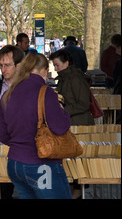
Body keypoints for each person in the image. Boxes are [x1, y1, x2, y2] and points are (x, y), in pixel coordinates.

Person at [0, 53, 72, 199]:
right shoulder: (46, 93)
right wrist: (63, 111)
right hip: (42, 165)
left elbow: (2, 135)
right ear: (45, 70)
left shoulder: (8, 93)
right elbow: (60, 127)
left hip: (15, 163)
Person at [49, 49, 94, 198]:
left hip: (79, 124)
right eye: (53, 65)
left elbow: (83, 104)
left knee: (78, 162)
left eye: (57, 65)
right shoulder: (65, 77)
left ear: (66, 63)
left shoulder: (75, 78)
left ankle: (77, 191)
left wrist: (63, 109)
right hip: (71, 123)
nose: (55, 69)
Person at [0, 45, 25, 143]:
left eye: (7, 65)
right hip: (1, 145)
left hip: (25, 146)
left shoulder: (28, 88)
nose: (3, 70)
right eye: (1, 65)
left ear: (19, 65)